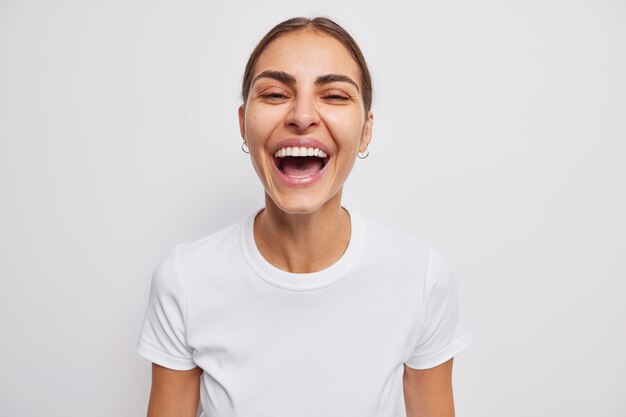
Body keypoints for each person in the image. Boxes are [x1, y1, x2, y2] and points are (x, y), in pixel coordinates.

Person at [137, 16, 473, 417]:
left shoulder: (422, 277)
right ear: (243, 124)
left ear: (366, 131)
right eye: (276, 94)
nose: (302, 115)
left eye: (333, 96)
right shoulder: (184, 279)